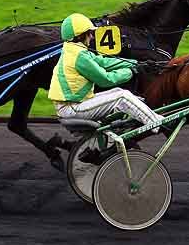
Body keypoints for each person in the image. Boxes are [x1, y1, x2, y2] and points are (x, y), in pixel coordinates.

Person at [48, 13, 164, 146]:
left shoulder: (73, 50)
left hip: (72, 105)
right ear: (80, 36)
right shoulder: (79, 56)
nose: (92, 37)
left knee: (118, 91)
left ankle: (142, 113)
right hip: (71, 109)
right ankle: (156, 123)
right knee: (122, 96)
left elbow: (103, 62)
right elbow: (105, 79)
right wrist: (131, 71)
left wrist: (135, 63)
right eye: (90, 33)